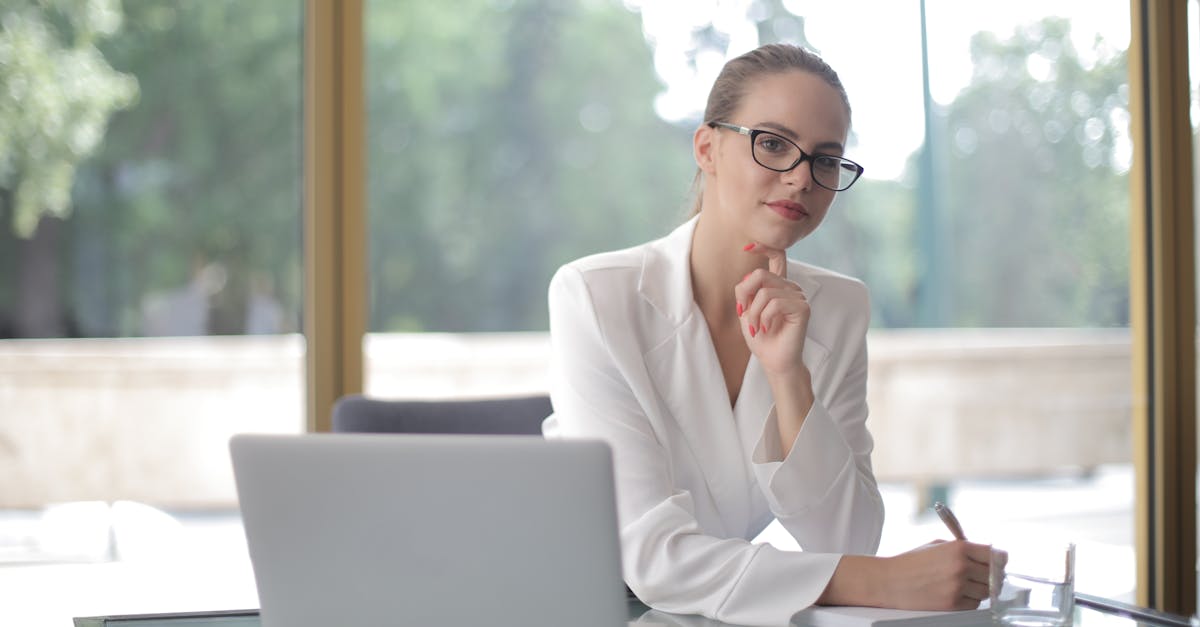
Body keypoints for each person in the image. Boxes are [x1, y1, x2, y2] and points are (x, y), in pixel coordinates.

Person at [542, 43, 991, 626]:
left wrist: (788, 377)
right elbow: (653, 558)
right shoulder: (595, 296)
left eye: (826, 160)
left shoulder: (839, 307)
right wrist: (882, 581)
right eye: (774, 144)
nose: (802, 178)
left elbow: (848, 536)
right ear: (707, 147)